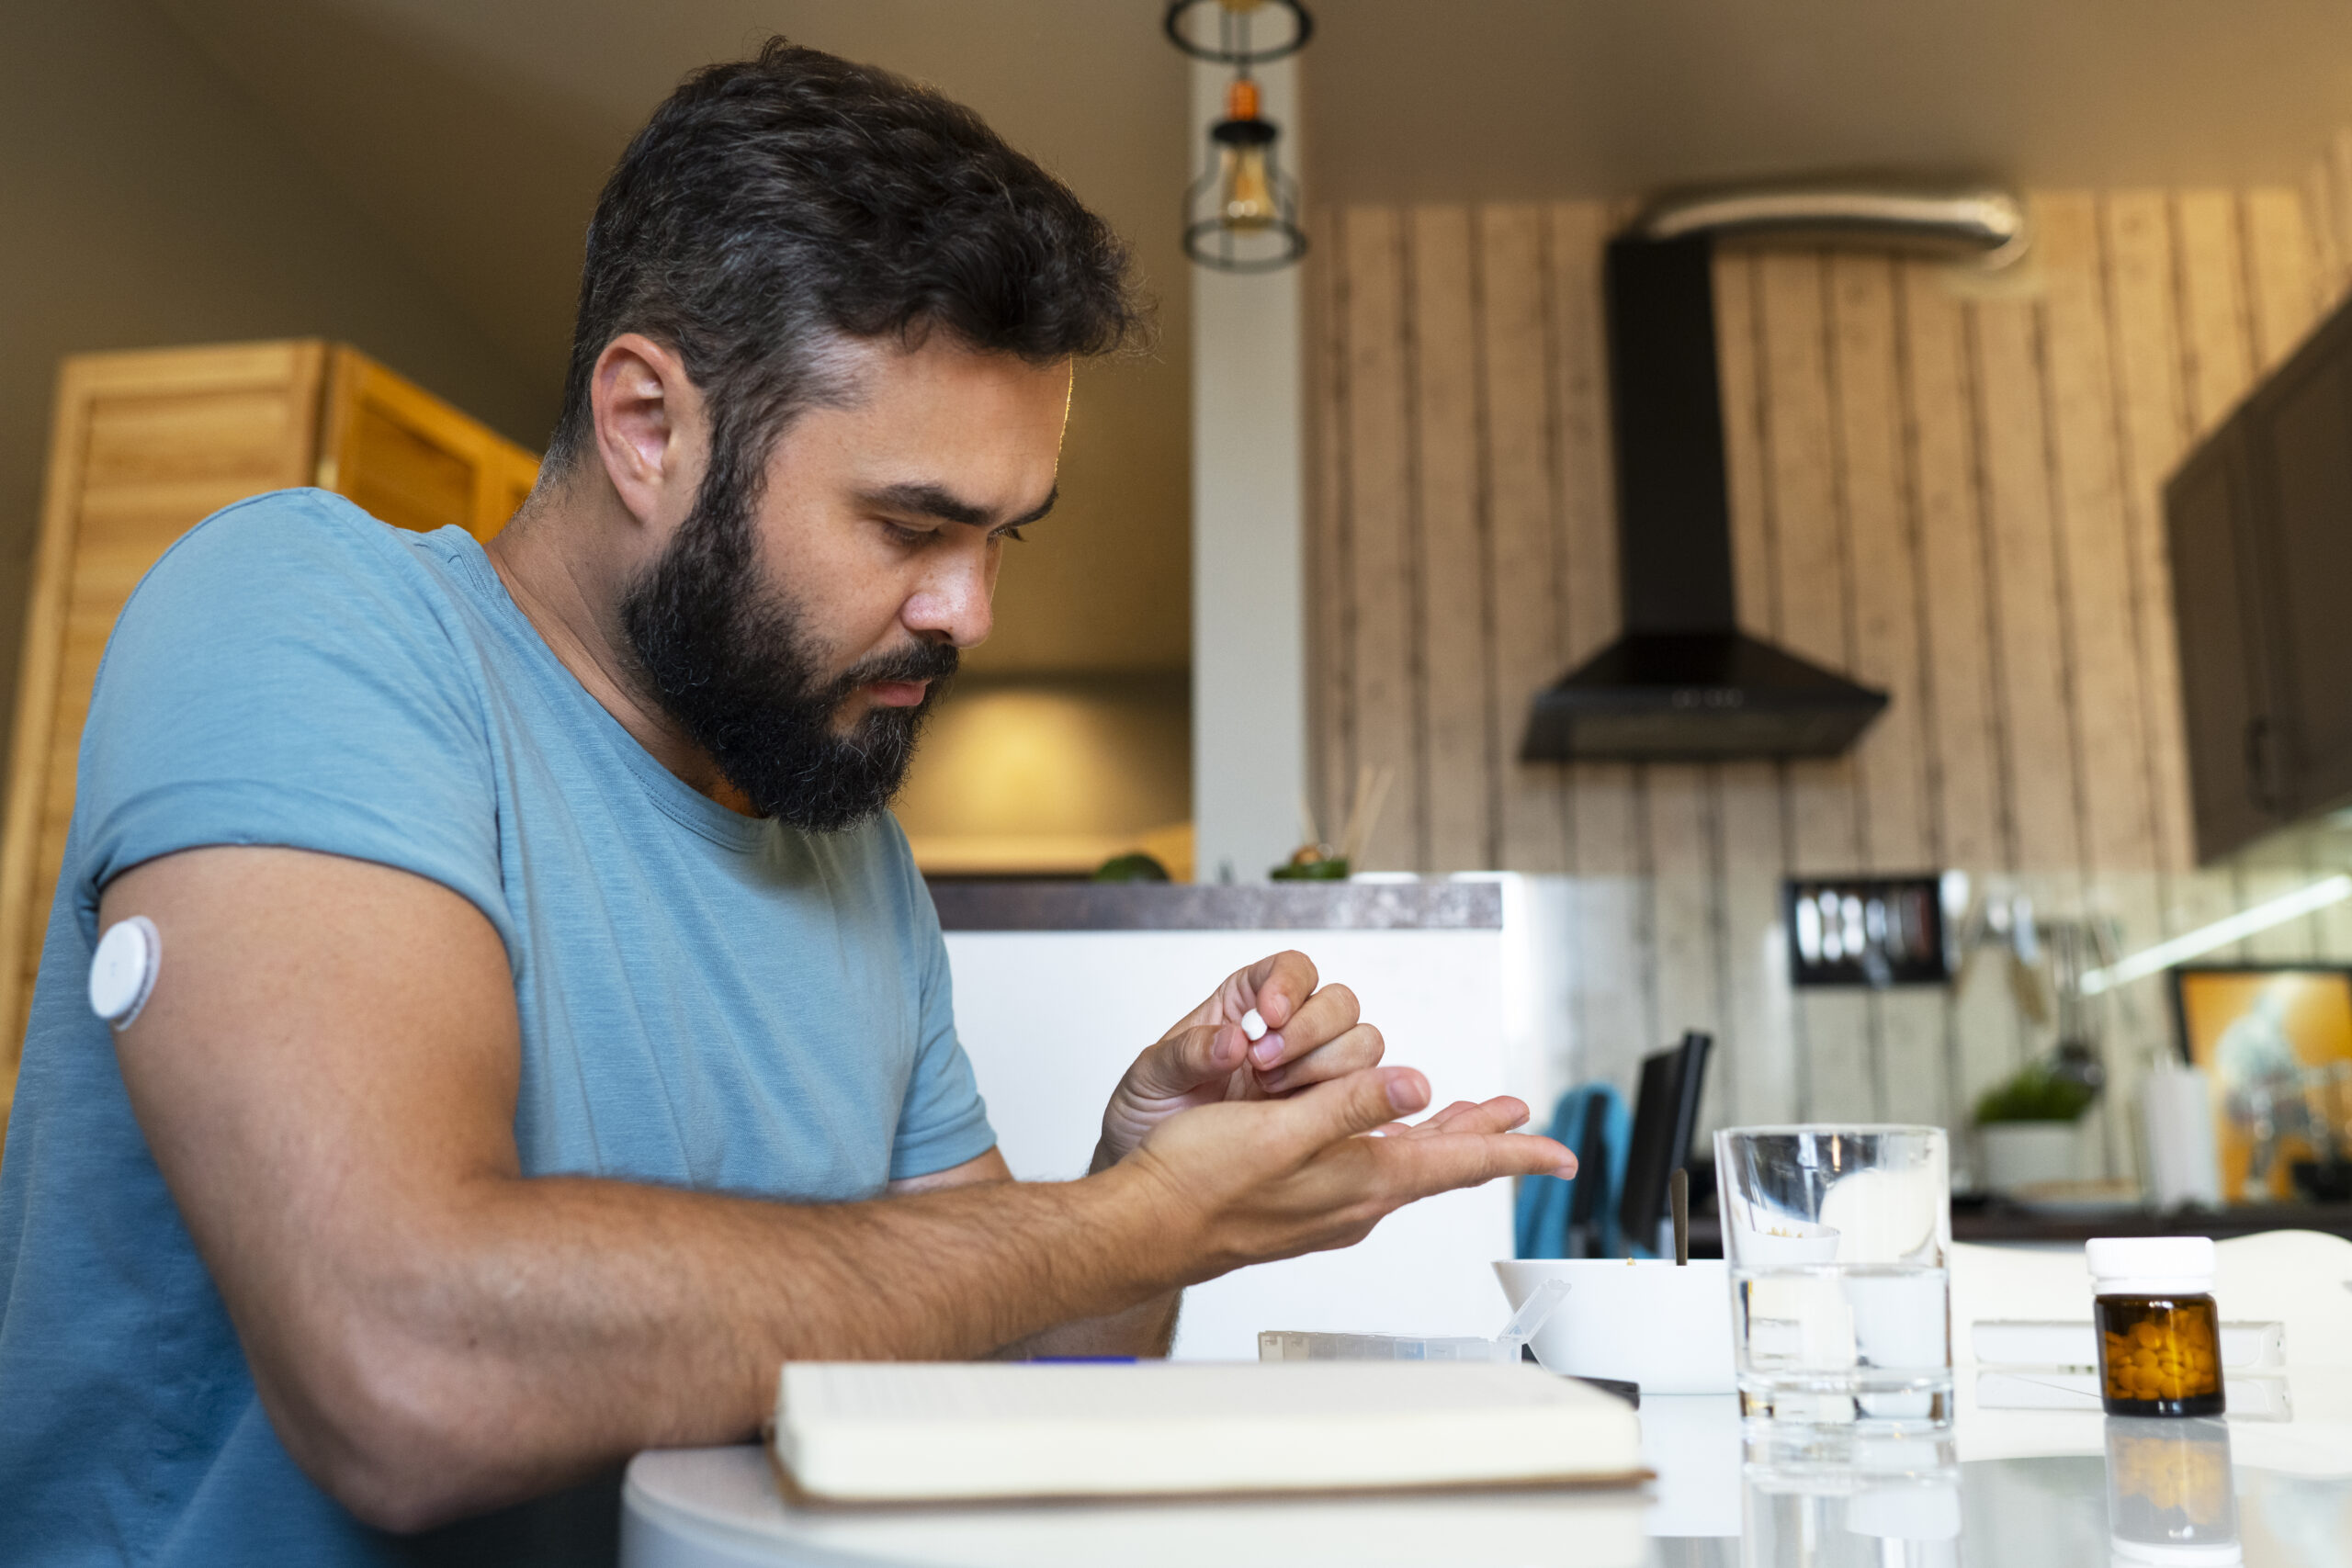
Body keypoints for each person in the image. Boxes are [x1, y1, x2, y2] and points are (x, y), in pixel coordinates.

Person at [0, 39, 1573, 1565]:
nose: (971, 613)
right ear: (648, 426)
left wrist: (1136, 1173)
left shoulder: (847, 855)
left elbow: (1010, 1373)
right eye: (910, 523)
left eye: (1003, 537)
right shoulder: (302, 618)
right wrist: (1139, 1225)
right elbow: (409, 1368)